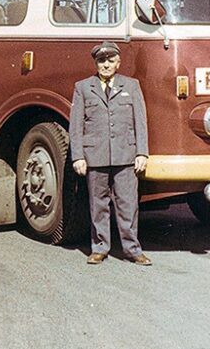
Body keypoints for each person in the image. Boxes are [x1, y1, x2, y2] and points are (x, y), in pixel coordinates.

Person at [68, 41, 151, 265]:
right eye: (101, 61)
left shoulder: (131, 86)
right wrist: (78, 156)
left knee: (128, 205)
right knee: (98, 205)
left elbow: (140, 122)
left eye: (110, 60)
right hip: (95, 156)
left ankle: (132, 249)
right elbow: (76, 126)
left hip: (125, 156)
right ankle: (100, 248)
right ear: (96, 63)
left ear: (118, 62)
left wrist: (142, 152)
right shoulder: (84, 87)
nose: (106, 65)